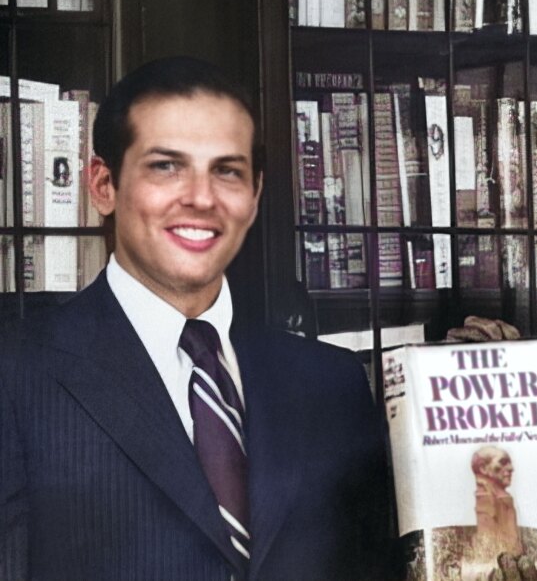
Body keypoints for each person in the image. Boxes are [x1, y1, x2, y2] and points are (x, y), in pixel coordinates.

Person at [0, 57, 390, 581]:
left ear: (253, 196)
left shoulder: (332, 383)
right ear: (103, 184)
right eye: (166, 166)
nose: (201, 198)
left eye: (226, 171)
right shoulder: (16, 376)